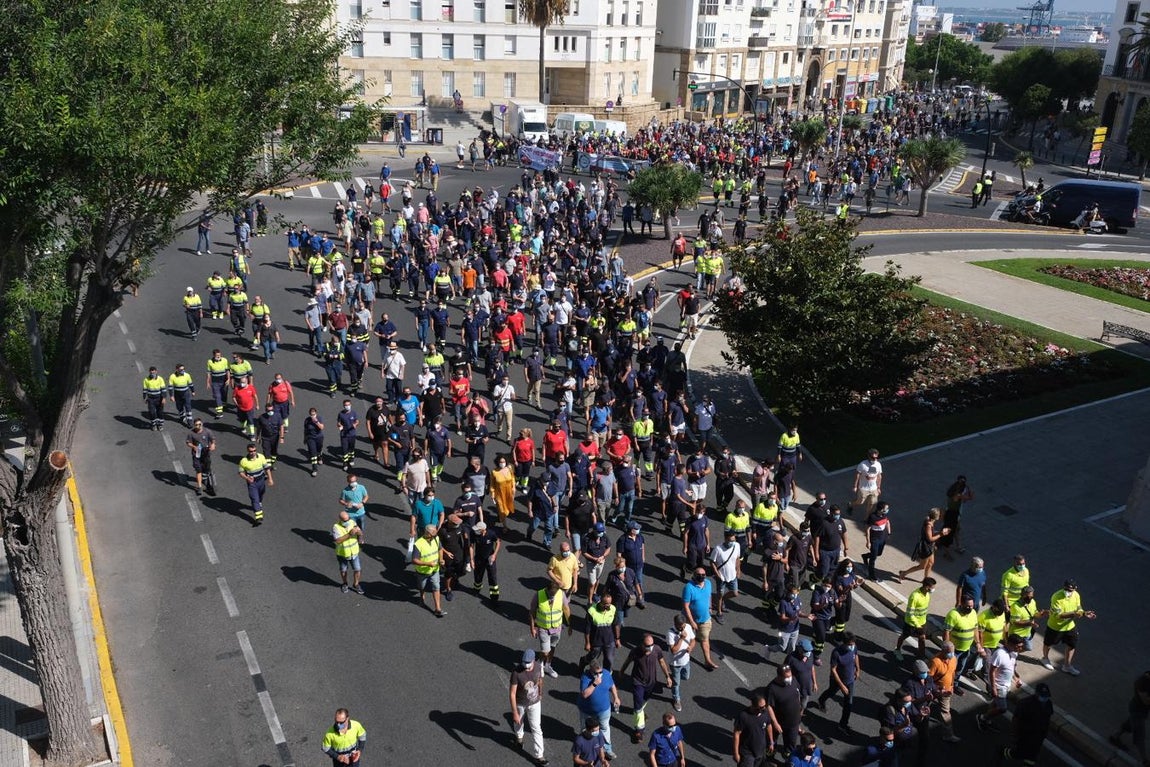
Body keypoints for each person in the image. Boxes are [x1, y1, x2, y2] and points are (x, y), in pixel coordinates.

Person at [618, 633, 673, 743]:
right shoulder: (635, 651)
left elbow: (662, 662)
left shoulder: (656, 649)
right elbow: (627, 661)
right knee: (638, 706)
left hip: (651, 682)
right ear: (642, 645)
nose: (650, 648)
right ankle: (639, 730)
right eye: (647, 646)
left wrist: (667, 676)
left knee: (645, 700)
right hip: (637, 682)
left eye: (651, 645)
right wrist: (622, 671)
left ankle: (640, 713)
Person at [1040, 578, 1096, 676]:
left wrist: (1084, 613)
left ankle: (1067, 665)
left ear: (1075, 589)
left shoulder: (1076, 595)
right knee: (1048, 644)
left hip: (1070, 626)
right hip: (1055, 626)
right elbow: (1059, 615)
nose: (1067, 592)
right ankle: (1045, 659)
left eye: (1070, 590)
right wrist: (1075, 614)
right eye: (1066, 589)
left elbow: (1079, 608)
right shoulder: (1056, 597)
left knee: (1072, 645)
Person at [995, 683, 1052, 766]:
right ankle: (1003, 752)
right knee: (1019, 754)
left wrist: (1044, 733)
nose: (1044, 698)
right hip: (1025, 735)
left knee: (1032, 757)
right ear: (1036, 693)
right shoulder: (1025, 704)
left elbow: (1048, 718)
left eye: (1046, 696)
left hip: (1039, 736)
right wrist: (1014, 734)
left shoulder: (1048, 704)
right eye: (1042, 695)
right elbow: (1016, 720)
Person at [814, 631, 860, 734]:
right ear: (845, 643)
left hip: (850, 680)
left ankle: (842, 725)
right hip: (837, 680)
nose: (853, 646)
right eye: (851, 644)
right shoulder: (836, 653)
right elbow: (833, 670)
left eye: (853, 644)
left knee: (848, 704)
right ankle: (821, 700)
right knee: (831, 692)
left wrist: (858, 669)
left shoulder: (854, 647)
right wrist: (842, 685)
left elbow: (856, 655)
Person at [978, 634, 1024, 732]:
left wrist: (1016, 679)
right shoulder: (999, 654)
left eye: (1021, 646)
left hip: (1006, 685)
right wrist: (994, 688)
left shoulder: (1014, 653)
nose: (1020, 648)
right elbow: (992, 671)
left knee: (995, 703)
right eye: (1018, 646)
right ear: (1011, 644)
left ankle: (986, 719)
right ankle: (982, 718)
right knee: (1002, 708)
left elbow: (1011, 667)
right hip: (999, 686)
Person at [577, 662, 621, 760]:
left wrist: (616, 697)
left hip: (604, 709)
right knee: (586, 730)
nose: (599, 675)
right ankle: (586, 749)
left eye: (600, 672)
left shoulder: (605, 673)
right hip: (587, 711)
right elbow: (585, 694)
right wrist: (594, 684)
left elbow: (612, 685)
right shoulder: (585, 677)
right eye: (596, 673)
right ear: (590, 670)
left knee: (605, 728)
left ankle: (607, 749)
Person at [510, 649, 547, 767]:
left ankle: (539, 756)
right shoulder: (516, 672)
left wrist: (540, 693)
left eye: (527, 662)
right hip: (520, 703)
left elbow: (540, 680)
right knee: (518, 722)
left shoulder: (538, 667)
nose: (525, 664)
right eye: (524, 662)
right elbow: (512, 693)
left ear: (533, 660)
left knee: (536, 728)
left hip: (535, 703)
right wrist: (515, 712)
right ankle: (519, 737)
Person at [530, 582, 572, 678]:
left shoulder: (560, 594)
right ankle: (540, 664)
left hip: (557, 628)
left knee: (553, 647)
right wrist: (532, 627)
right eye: (550, 594)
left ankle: (548, 665)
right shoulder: (539, 595)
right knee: (545, 651)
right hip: (543, 628)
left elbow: (566, 609)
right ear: (546, 590)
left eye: (554, 594)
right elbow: (532, 611)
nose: (552, 596)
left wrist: (570, 625)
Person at [1109, 670, 1150, 767]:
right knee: (1139, 736)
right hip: (1137, 710)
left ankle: (1115, 737)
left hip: (1140, 711)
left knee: (1130, 724)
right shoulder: (1142, 682)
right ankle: (1145, 761)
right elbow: (1146, 701)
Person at [896, 508, 948, 584]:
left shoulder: (929, 520)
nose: (941, 516)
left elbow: (931, 534)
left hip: (930, 546)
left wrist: (939, 532)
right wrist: (941, 534)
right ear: (937, 516)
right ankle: (904, 573)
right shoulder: (929, 525)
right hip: (926, 547)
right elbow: (930, 538)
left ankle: (925, 579)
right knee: (922, 566)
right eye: (940, 515)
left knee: (931, 563)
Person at [682, 567, 719, 670]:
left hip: (705, 619)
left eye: (704, 574)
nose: (702, 576)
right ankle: (682, 658)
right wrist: (692, 622)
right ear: (694, 575)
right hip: (690, 620)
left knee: (704, 639)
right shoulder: (688, 588)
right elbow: (686, 606)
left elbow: (709, 596)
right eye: (699, 574)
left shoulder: (708, 583)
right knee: (686, 639)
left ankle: (707, 660)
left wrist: (710, 607)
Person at [893, 577, 935, 661]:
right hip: (911, 623)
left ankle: (921, 656)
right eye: (932, 587)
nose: (933, 589)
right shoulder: (915, 596)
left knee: (922, 639)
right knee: (904, 636)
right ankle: (897, 649)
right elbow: (910, 613)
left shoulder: (927, 594)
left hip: (922, 622)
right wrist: (917, 625)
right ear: (927, 587)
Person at [943, 595, 980, 688]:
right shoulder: (953, 615)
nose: (970, 608)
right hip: (954, 650)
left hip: (966, 649)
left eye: (972, 606)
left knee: (960, 669)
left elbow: (975, 629)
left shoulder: (973, 613)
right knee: (949, 669)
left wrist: (978, 643)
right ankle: (945, 685)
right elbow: (946, 631)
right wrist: (947, 648)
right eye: (968, 606)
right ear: (962, 604)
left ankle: (954, 685)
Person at [766, 663, 803, 756]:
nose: (789, 678)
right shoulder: (772, 688)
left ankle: (788, 756)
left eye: (790, 675)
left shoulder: (793, 680)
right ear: (779, 676)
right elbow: (769, 706)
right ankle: (770, 755)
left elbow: (797, 695)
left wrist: (799, 715)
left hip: (794, 722)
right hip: (779, 722)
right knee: (772, 740)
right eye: (787, 677)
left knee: (791, 743)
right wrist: (775, 723)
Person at [412, 523, 445, 617]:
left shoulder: (436, 538)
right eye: (434, 533)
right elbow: (414, 560)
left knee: (436, 586)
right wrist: (428, 564)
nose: (436, 534)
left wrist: (441, 559)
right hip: (422, 571)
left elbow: (440, 549)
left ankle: (438, 609)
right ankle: (422, 595)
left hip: (435, 569)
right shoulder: (418, 544)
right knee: (422, 586)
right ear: (428, 533)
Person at [733, 691, 773, 767]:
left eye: (765, 706)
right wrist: (736, 753)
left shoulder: (765, 713)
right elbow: (736, 734)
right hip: (747, 753)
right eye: (760, 707)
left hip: (760, 751)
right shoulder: (743, 716)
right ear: (753, 705)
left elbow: (769, 725)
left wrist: (771, 742)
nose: (763, 709)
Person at [710, 530, 741, 622]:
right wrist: (717, 574)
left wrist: (738, 570)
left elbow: (737, 558)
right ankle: (719, 612)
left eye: (733, 540)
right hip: (721, 577)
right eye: (730, 540)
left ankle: (719, 600)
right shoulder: (718, 549)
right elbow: (712, 562)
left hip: (732, 575)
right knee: (720, 594)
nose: (732, 542)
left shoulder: (737, 545)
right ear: (725, 538)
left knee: (735, 593)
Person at [666, 614, 695, 713]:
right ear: (675, 624)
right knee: (676, 684)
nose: (683, 628)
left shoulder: (688, 627)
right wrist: (681, 638)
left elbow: (693, 640)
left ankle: (672, 677)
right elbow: (673, 650)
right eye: (680, 626)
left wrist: (691, 647)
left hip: (686, 660)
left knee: (686, 677)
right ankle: (676, 699)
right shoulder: (670, 633)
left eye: (683, 626)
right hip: (675, 664)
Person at [584, 592, 621, 671]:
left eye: (609, 604)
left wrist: (617, 639)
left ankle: (606, 675)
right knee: (592, 658)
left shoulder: (613, 609)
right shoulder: (591, 611)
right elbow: (587, 629)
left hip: (609, 640)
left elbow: (616, 624)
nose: (608, 606)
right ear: (600, 601)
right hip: (596, 641)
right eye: (605, 604)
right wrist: (587, 643)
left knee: (609, 660)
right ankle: (583, 661)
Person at [332, 510, 364, 594]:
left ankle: (356, 584)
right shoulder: (336, 527)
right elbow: (338, 540)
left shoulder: (352, 522)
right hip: (343, 554)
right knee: (343, 570)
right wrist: (350, 534)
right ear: (340, 520)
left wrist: (359, 535)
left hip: (354, 553)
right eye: (345, 520)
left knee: (357, 569)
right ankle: (345, 583)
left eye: (348, 519)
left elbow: (360, 532)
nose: (347, 521)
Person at [238, 443, 271, 525]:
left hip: (261, 480)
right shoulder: (244, 461)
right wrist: (247, 478)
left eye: (254, 451)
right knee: (254, 498)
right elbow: (241, 472)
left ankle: (259, 503)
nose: (253, 452)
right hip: (252, 483)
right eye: (251, 451)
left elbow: (267, 468)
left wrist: (270, 479)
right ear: (248, 451)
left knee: (261, 494)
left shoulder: (261, 457)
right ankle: (258, 516)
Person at [470, 519, 501, 601]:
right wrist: (472, 559)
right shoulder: (474, 534)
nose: (476, 531)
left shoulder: (491, 534)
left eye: (478, 530)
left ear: (483, 530)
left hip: (490, 559)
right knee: (478, 576)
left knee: (492, 578)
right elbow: (471, 546)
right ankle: (477, 590)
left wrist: (494, 555)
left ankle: (494, 597)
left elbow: (498, 542)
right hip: (479, 559)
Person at [185, 418, 216, 496]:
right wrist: (193, 446)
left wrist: (213, 445)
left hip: (206, 452)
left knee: (207, 469)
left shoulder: (207, 431)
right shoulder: (191, 433)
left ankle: (207, 482)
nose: (198, 426)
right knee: (198, 470)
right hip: (197, 453)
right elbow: (188, 442)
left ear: (202, 424)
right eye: (196, 425)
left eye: (200, 424)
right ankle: (199, 487)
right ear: (194, 425)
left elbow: (213, 439)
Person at [847, 448, 881, 517]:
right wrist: (855, 486)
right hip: (863, 488)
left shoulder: (878, 464)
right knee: (860, 502)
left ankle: (867, 518)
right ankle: (850, 504)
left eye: (876, 457)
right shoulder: (862, 464)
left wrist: (878, 487)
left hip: (874, 489)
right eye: (873, 457)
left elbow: (879, 476)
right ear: (869, 456)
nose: (875, 459)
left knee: (872, 503)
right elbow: (857, 475)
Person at [861, 502, 891, 580]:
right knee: (873, 558)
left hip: (882, 539)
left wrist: (889, 533)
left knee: (879, 553)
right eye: (886, 509)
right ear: (880, 509)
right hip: (874, 540)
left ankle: (865, 556)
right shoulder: (873, 517)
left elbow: (887, 522)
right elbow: (867, 529)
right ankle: (871, 575)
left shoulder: (884, 515)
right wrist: (868, 542)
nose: (887, 510)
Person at [142, 366, 167, 431]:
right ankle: (153, 424)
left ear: (156, 371)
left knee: (160, 412)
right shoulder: (146, 379)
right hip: (151, 399)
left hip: (159, 398)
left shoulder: (160, 379)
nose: (152, 373)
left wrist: (164, 398)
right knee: (152, 412)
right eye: (151, 372)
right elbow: (145, 390)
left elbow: (163, 389)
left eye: (154, 372)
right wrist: (144, 398)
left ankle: (160, 425)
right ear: (149, 372)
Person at [337, 399, 359, 472]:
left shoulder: (354, 413)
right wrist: (339, 425)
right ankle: (345, 464)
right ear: (343, 406)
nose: (347, 406)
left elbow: (357, 421)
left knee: (351, 449)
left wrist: (355, 424)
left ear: (351, 405)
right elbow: (338, 422)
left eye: (348, 405)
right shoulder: (341, 414)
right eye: (346, 405)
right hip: (344, 435)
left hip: (352, 434)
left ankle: (351, 459)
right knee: (344, 450)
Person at [304, 407, 325, 477]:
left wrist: (316, 422)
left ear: (316, 413)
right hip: (310, 438)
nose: (312, 416)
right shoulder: (307, 420)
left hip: (319, 437)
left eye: (314, 414)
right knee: (313, 453)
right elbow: (306, 430)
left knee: (319, 450)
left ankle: (320, 457)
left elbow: (322, 427)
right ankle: (314, 469)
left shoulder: (319, 418)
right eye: (311, 414)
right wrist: (305, 438)